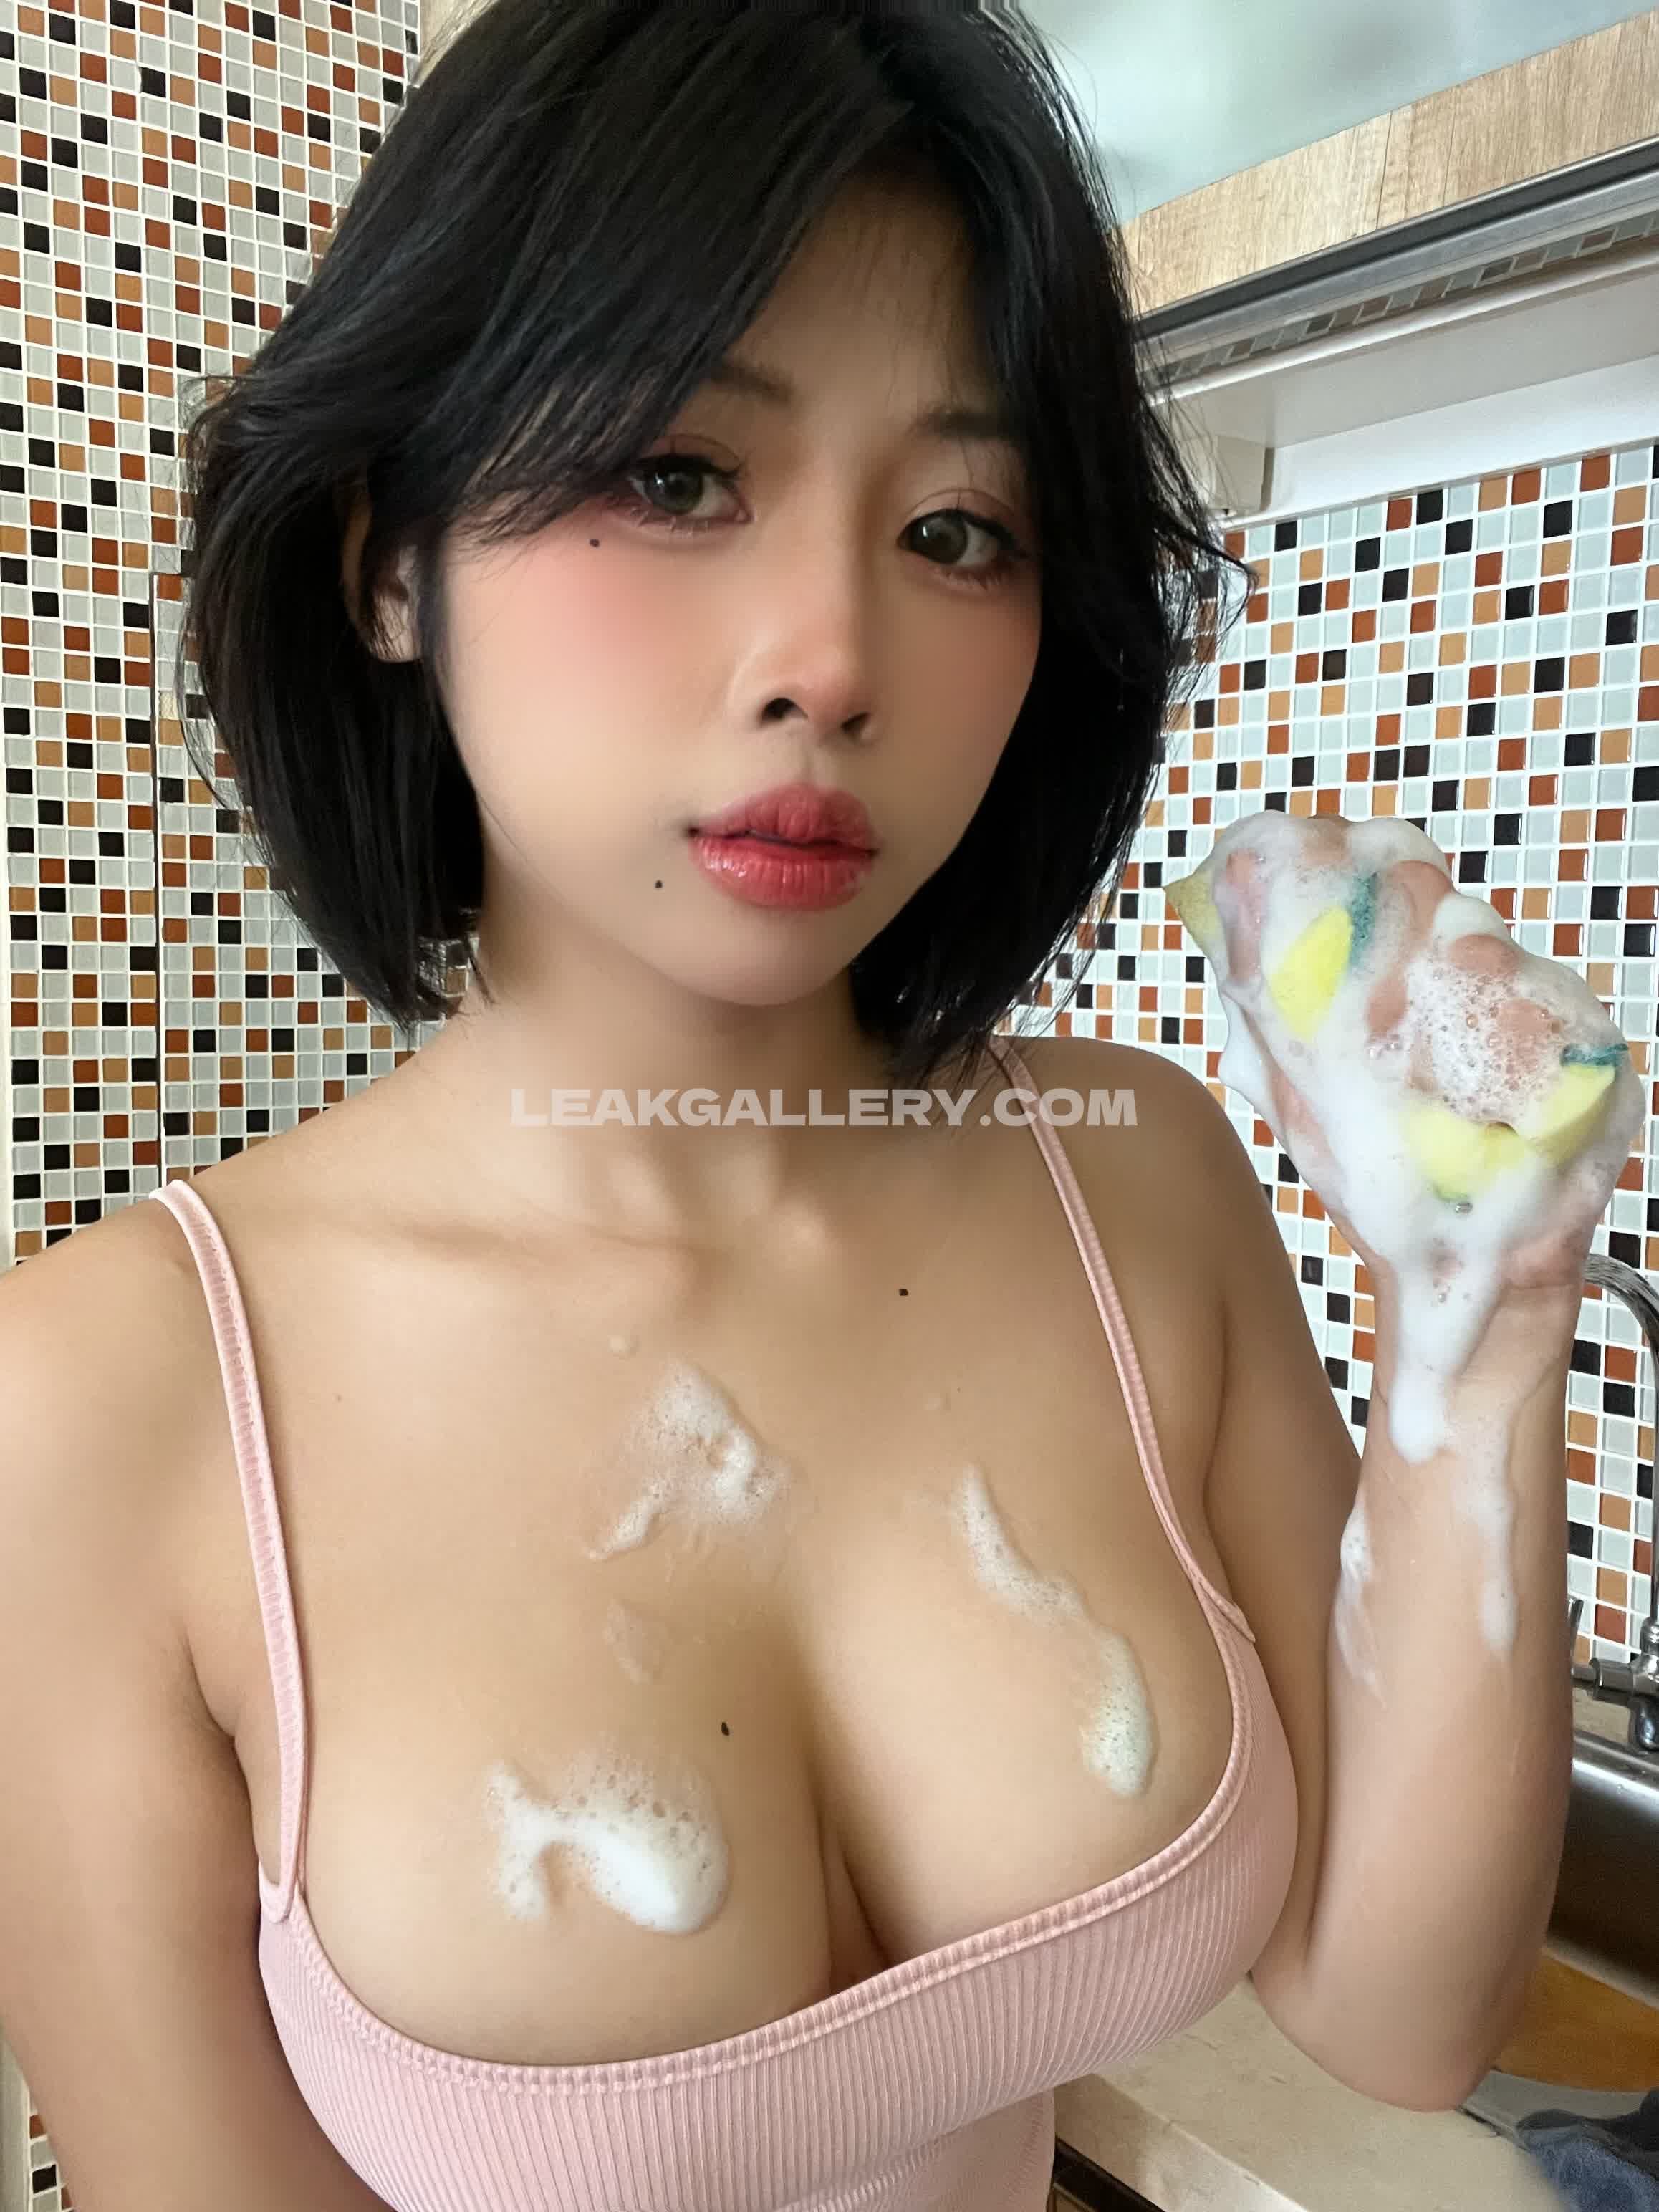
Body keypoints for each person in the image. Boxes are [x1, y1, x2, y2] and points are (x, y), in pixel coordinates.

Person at [0, 5, 1627, 2209]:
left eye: (957, 528)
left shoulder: (1128, 1180)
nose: (834, 658)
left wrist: (1486, 1309)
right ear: (390, 560)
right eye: (676, 477)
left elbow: (1392, 2012)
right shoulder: (100, 1411)